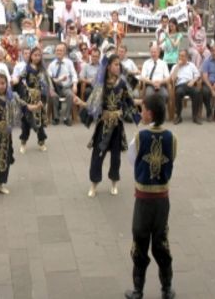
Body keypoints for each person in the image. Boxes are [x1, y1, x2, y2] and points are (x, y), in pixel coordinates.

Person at [124, 94, 176, 299]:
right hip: (163, 199)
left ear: (150, 113)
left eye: (143, 109)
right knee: (161, 241)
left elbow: (132, 160)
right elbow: (172, 162)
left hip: (144, 199)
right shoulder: (172, 137)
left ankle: (138, 290)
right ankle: (167, 289)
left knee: (139, 241)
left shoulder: (140, 137)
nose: (141, 112)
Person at [78, 54, 140, 197]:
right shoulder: (101, 84)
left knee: (116, 156)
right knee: (97, 154)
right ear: (108, 67)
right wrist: (81, 103)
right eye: (116, 64)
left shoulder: (122, 83)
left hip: (117, 125)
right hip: (104, 124)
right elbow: (92, 102)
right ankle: (94, 184)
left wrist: (141, 106)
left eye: (119, 64)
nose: (119, 67)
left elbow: (130, 100)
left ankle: (114, 182)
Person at [17, 47, 50, 153]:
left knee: (39, 122)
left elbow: (46, 83)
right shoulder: (26, 68)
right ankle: (23, 143)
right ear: (31, 56)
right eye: (35, 55)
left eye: (39, 55)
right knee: (26, 122)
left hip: (39, 98)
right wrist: (23, 89)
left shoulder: (42, 69)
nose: (37, 57)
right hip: (28, 98)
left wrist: (44, 98)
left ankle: (41, 142)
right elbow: (19, 80)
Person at [47, 43, 78, 126]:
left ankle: (66, 117)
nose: (58, 52)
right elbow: (48, 77)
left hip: (66, 87)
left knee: (70, 95)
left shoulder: (69, 63)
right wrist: (57, 80)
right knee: (54, 96)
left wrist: (75, 84)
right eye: (57, 50)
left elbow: (74, 74)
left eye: (60, 50)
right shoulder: (52, 64)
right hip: (55, 87)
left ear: (64, 52)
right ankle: (56, 118)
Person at [171, 50, 202, 125]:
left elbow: (198, 75)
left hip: (190, 84)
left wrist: (193, 81)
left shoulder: (191, 65)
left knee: (197, 92)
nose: (181, 58)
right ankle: (178, 116)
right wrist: (178, 66)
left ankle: (195, 116)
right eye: (180, 56)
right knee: (178, 93)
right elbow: (173, 79)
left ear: (187, 57)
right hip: (180, 85)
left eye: (183, 56)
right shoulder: (175, 66)